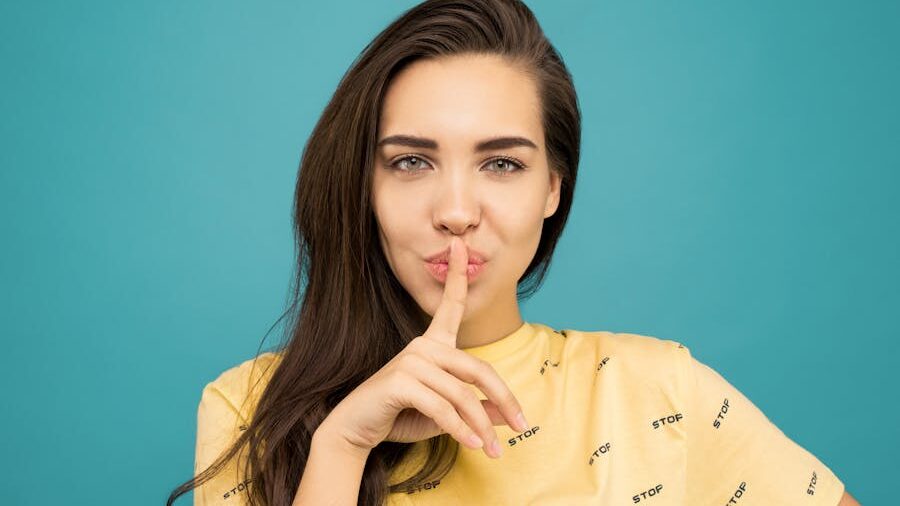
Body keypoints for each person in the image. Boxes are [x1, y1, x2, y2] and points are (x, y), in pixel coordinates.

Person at [167, 0, 860, 504]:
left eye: (502, 165)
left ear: (554, 189)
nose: (458, 213)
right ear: (362, 186)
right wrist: (341, 446)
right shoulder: (249, 410)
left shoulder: (659, 391)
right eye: (411, 162)